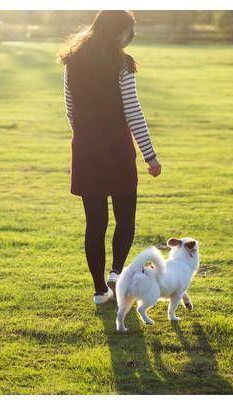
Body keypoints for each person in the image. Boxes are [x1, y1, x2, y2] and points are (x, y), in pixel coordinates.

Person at [57, 10, 162, 304]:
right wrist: (150, 155)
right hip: (117, 150)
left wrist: (86, 136)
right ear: (117, 32)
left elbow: (69, 109)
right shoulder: (122, 64)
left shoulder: (72, 62)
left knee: (95, 223)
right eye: (129, 31)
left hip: (86, 150)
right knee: (125, 217)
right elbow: (133, 110)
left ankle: (100, 289)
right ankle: (116, 272)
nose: (130, 37)